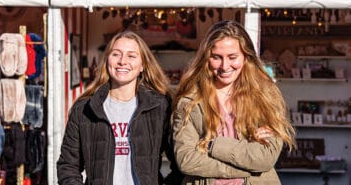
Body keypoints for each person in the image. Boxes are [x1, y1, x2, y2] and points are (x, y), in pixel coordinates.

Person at [172, 20, 296, 185]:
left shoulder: (265, 97)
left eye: (232, 57)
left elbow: (264, 159)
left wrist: (212, 145)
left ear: (246, 56)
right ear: (206, 58)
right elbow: (187, 160)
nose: (225, 66)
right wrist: (246, 164)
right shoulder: (189, 102)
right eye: (216, 57)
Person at [57, 30, 182, 185]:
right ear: (107, 60)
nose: (123, 61)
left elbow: (180, 164)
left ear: (142, 65)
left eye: (131, 55)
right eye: (116, 54)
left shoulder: (160, 107)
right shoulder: (84, 109)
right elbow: (68, 166)